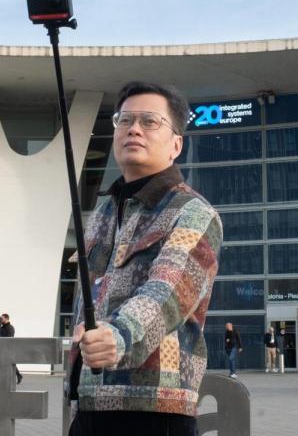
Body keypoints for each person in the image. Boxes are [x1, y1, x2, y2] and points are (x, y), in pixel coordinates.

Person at [67, 82, 222, 436]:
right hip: (90, 403)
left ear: (176, 145)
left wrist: (117, 335)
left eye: (150, 121)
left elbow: (167, 293)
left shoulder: (194, 212)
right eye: (124, 120)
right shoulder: (104, 212)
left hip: (154, 407)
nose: (134, 128)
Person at [0, 313, 23, 384]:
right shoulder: (2, 327)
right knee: (7, 363)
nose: (1, 320)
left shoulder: (10, 328)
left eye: (2, 318)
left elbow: (9, 339)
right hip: (2, 348)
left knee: (9, 363)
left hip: (7, 348)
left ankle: (18, 375)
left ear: (6, 319)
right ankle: (18, 375)